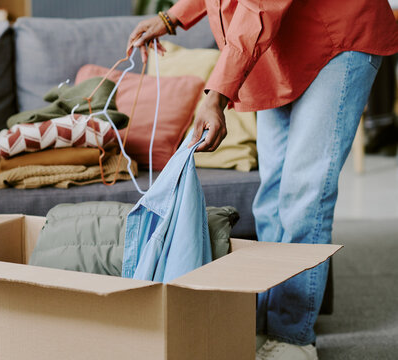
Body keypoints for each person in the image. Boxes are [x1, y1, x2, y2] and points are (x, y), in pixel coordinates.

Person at [127, 1, 398, 359]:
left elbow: (258, 7)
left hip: (338, 38)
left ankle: (293, 337)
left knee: (304, 197)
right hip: (280, 46)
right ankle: (267, 324)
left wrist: (216, 96)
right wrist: (172, 16)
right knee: (270, 201)